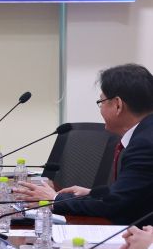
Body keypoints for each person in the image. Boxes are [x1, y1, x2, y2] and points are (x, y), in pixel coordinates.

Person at [15, 63, 153, 226]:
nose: (100, 108)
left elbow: (115, 203)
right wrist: (91, 194)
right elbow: (133, 190)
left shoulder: (144, 145)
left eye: (101, 102)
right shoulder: (145, 133)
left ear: (117, 105)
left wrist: (54, 199)